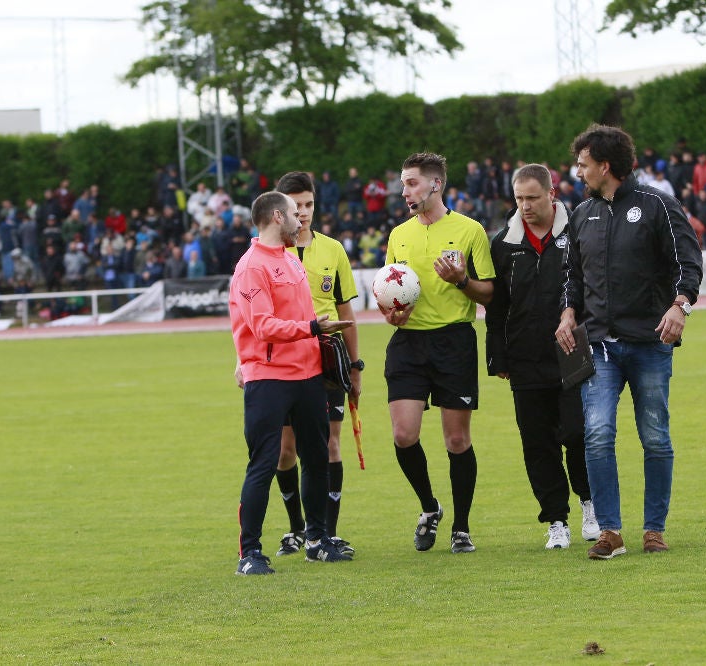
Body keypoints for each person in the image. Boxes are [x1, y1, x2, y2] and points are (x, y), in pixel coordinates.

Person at [556, 124, 703, 560]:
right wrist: (567, 312)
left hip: (649, 344)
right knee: (597, 434)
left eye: (582, 164)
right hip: (598, 346)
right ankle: (610, 531)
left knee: (655, 436)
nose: (577, 172)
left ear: (605, 165)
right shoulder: (582, 214)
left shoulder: (659, 205)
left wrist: (680, 306)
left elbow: (688, 263)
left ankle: (654, 530)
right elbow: (573, 278)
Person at [230, 190, 354, 575]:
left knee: (316, 459)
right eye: (293, 212)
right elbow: (261, 326)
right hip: (269, 378)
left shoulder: (289, 259)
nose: (302, 218)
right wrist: (314, 328)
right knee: (264, 463)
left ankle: (316, 540)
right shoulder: (252, 267)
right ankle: (249, 553)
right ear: (275, 217)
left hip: (308, 375)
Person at [381, 151, 495, 554]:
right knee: (403, 433)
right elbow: (388, 291)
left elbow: (489, 294)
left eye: (411, 182)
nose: (405, 191)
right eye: (402, 183)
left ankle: (461, 527)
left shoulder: (470, 230)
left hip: (454, 342)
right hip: (408, 342)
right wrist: (391, 313)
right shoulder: (398, 235)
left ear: (435, 184)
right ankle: (429, 507)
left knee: (457, 441)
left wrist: (461, 279)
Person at [485, 164, 599, 550]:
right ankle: (555, 520)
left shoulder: (579, 230)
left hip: (572, 353)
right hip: (524, 356)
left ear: (552, 194)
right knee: (536, 442)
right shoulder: (503, 244)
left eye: (532, 197)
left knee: (578, 434)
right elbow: (497, 307)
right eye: (519, 199)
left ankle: (590, 505)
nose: (525, 206)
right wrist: (497, 357)